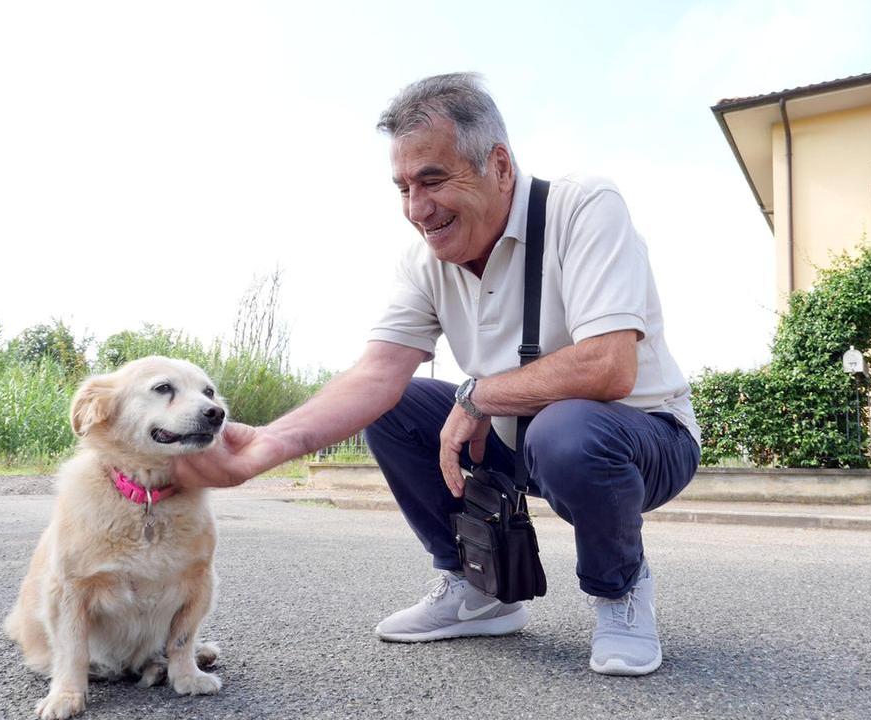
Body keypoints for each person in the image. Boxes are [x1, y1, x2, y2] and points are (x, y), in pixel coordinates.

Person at [172, 72, 700, 676]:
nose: (417, 210)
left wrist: (481, 395)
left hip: (641, 439)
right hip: (516, 439)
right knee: (394, 408)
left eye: (433, 180)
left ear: (499, 165)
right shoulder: (425, 261)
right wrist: (267, 444)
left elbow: (610, 365)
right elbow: (376, 377)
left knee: (567, 432)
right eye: (402, 187)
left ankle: (620, 591)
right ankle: (478, 590)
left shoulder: (583, 206)